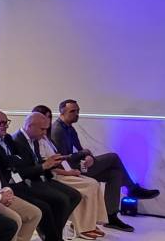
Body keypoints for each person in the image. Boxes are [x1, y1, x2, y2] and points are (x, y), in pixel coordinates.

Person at [51, 99, 158, 232]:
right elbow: (63, 158)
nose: (77, 114)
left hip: (79, 165)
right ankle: (132, 189)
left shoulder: (70, 129)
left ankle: (111, 217)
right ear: (62, 112)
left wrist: (88, 156)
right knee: (113, 157)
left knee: (115, 174)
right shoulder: (58, 130)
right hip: (71, 170)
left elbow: (80, 150)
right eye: (73, 111)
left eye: (78, 111)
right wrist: (84, 155)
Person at [6, 113, 88, 241]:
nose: (45, 133)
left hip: (40, 178)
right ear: (30, 126)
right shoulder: (16, 141)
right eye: (42, 129)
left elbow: (36, 162)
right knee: (60, 201)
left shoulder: (34, 139)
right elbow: (20, 172)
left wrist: (50, 164)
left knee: (74, 195)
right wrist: (44, 166)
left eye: (46, 129)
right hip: (26, 183)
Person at [26, 108, 105, 239]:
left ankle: (91, 222)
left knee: (93, 183)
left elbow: (57, 159)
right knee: (90, 185)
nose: (47, 121)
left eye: (49, 117)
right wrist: (67, 172)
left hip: (62, 171)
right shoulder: (36, 140)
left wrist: (71, 169)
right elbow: (47, 166)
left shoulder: (47, 138)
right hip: (56, 175)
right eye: (44, 117)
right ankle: (83, 227)